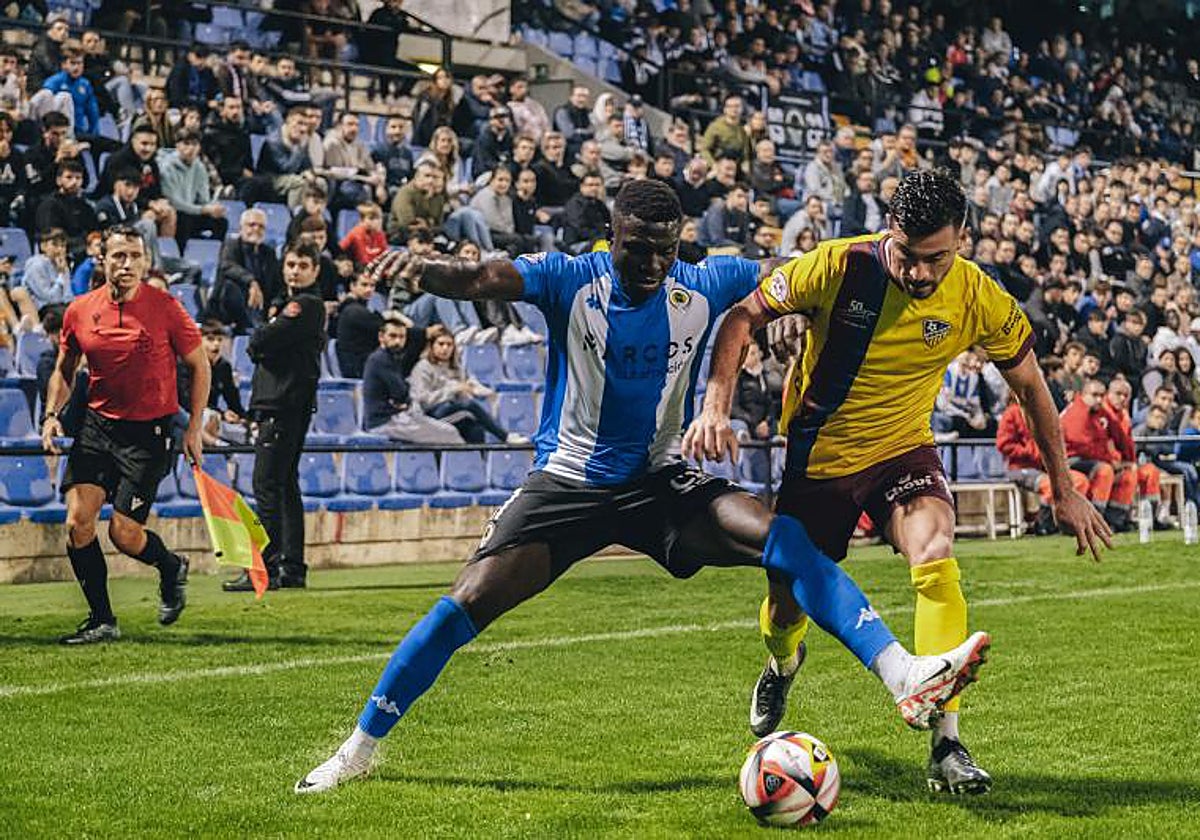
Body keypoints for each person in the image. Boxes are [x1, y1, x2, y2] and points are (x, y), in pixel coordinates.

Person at [295, 179, 992, 794]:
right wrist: (426, 270)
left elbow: (801, 272)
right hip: (568, 485)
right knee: (464, 604)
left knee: (786, 540)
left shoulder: (703, 282)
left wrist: (815, 304)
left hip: (660, 482)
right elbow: (482, 279)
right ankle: (358, 750)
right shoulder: (570, 277)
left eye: (666, 249)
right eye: (638, 248)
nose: (653, 264)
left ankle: (902, 673)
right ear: (613, 236)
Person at [685, 169, 1109, 795]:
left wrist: (1065, 487)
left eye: (935, 258)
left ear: (963, 237)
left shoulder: (979, 298)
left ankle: (947, 746)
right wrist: (717, 402)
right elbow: (742, 316)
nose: (918, 272)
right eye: (907, 256)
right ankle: (782, 662)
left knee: (936, 551)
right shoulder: (837, 265)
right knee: (785, 607)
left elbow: (1030, 387)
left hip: (903, 448)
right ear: (889, 232)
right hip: (819, 460)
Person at [41, 225, 209, 644]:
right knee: (78, 523)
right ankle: (102, 620)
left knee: (124, 535)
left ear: (145, 260)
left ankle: (170, 567)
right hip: (97, 428)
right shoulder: (79, 310)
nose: (127, 264)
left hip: (148, 434)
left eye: (135, 256)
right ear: (103, 259)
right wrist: (50, 414)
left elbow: (200, 364)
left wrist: (193, 427)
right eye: (119, 256)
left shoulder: (166, 307)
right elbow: (65, 369)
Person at [224, 241, 327, 593]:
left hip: (282, 405)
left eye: (302, 265)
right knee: (284, 487)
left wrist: (263, 338)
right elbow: (266, 340)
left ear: (314, 270)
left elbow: (261, 340)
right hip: (287, 405)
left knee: (266, 485)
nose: (295, 270)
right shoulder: (291, 305)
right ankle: (292, 567)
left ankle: (265, 568)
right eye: (291, 264)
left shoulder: (305, 305)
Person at [409, 325, 524, 444]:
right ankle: (505, 437)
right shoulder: (423, 367)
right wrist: (453, 389)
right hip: (429, 415)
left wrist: (467, 390)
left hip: (453, 413)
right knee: (469, 406)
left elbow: (460, 398)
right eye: (441, 344)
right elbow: (423, 400)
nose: (445, 348)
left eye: (449, 345)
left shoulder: (456, 367)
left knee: (476, 430)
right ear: (432, 346)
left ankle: (477, 461)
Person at [361, 316, 463, 443]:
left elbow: (401, 394)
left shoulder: (392, 358)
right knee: (450, 433)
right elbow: (401, 393)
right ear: (381, 337)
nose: (398, 341)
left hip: (395, 416)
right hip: (384, 422)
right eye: (393, 336)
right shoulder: (380, 359)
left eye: (402, 337)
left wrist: (402, 398)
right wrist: (403, 399)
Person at [209, 208, 282, 334]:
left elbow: (277, 284)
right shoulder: (231, 244)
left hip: (260, 311)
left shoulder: (268, 253)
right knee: (230, 285)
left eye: (261, 226)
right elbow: (227, 265)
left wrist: (275, 305)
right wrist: (252, 282)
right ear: (240, 228)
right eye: (252, 224)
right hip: (228, 311)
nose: (256, 229)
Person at [158, 128, 228, 247]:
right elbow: (174, 202)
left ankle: (213, 254)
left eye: (194, 144)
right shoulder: (167, 167)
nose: (190, 149)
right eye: (186, 144)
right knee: (184, 221)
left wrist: (212, 208)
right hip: (175, 213)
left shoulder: (199, 167)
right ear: (177, 145)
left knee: (221, 222)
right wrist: (203, 209)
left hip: (193, 211)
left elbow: (204, 199)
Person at [334, 272, 383, 378]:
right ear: (352, 286)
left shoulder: (356, 308)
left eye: (372, 285)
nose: (369, 289)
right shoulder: (354, 311)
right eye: (364, 285)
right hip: (358, 369)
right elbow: (382, 328)